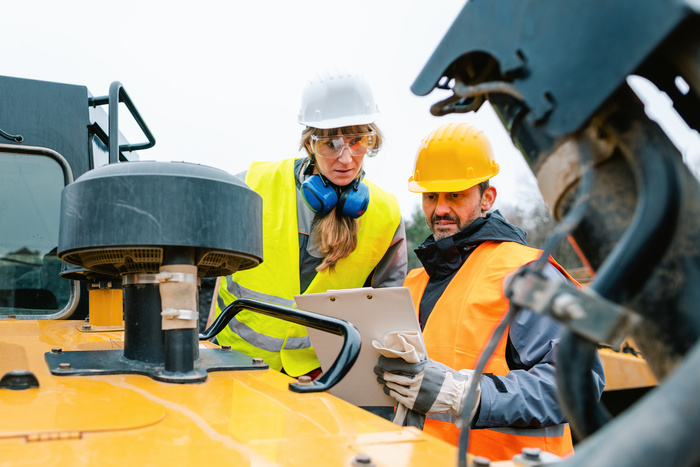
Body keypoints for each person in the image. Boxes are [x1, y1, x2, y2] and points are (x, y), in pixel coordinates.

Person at [373, 122, 605, 461]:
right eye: (431, 196)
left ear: (487, 198)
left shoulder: (529, 272)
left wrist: (469, 395)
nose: (440, 210)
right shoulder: (414, 282)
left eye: (455, 195)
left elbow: (580, 382)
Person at [212, 68, 407, 378]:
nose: (346, 159)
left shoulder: (387, 215)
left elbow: (384, 318)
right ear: (309, 144)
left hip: (318, 381)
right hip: (232, 367)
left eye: (358, 141)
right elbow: (197, 269)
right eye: (330, 144)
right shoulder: (252, 187)